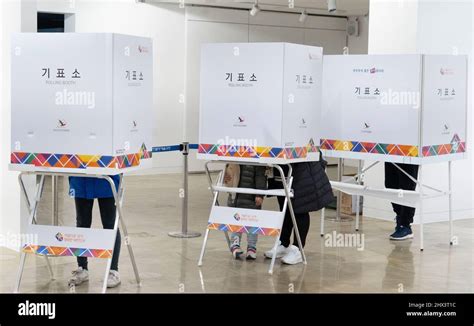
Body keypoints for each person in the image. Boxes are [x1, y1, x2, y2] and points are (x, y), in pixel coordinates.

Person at [265, 154, 333, 264]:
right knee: (284, 207)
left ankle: (298, 248)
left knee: (300, 208)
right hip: (282, 164)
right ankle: (283, 243)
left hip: (302, 167)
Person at [67, 175, 122, 288]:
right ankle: (82, 268)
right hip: (81, 177)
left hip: (107, 177)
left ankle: (113, 270)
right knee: (82, 223)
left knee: (110, 225)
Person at [224, 163, 267, 260]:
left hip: (251, 198)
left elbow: (261, 176)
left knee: (252, 222)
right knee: (236, 221)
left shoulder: (258, 160)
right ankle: (235, 244)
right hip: (235, 197)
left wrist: (260, 194)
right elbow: (228, 172)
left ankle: (252, 247)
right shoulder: (234, 158)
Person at [384, 162, 419, 240]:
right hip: (391, 152)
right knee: (390, 185)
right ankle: (400, 218)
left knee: (408, 187)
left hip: (411, 153)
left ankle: (405, 224)